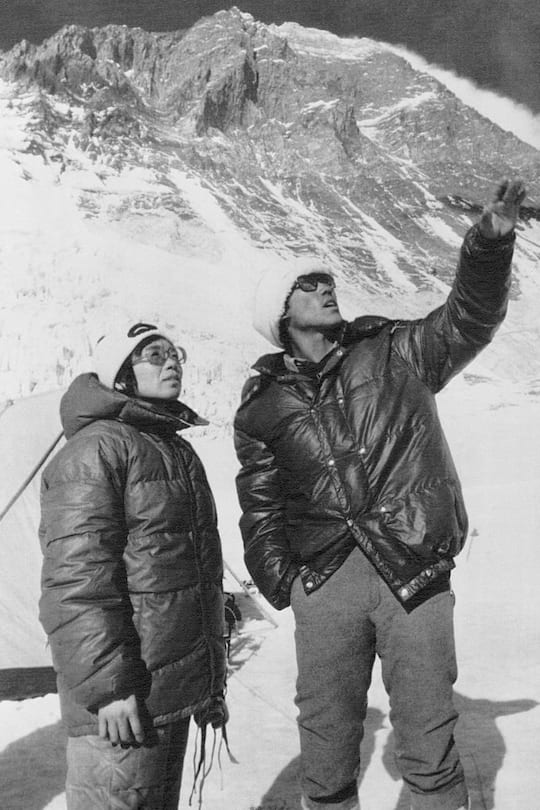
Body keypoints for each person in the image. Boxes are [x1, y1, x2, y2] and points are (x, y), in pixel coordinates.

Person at [234, 179, 526, 810]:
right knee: (327, 746)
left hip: (411, 568)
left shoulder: (395, 351)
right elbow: (259, 506)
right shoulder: (262, 406)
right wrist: (288, 584)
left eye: (325, 279)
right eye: (307, 284)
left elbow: (469, 318)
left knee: (428, 742)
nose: (324, 286)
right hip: (326, 581)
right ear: (281, 313)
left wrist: (489, 245)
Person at [39, 321, 228, 810]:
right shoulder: (96, 449)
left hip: (166, 692)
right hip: (122, 701)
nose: (171, 362)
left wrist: (209, 679)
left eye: (175, 352)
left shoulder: (173, 450)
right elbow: (76, 580)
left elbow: (188, 573)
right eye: (153, 353)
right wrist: (108, 687)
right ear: (121, 374)